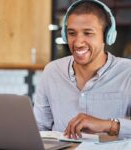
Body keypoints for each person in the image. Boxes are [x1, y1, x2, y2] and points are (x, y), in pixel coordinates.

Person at [33, 0, 131, 139]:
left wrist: (107, 125)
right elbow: (39, 128)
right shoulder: (52, 71)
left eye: (88, 33)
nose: (78, 43)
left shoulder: (127, 72)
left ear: (107, 35)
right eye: (72, 33)